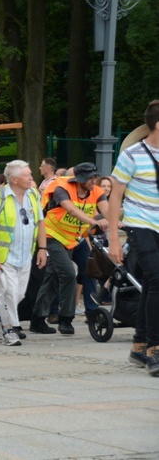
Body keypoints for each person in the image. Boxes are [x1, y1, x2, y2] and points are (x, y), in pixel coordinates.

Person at [109, 100, 159, 375]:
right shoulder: (131, 155)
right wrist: (115, 239)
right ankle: (155, 348)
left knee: (153, 284)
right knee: (157, 279)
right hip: (140, 225)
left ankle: (138, 345)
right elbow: (115, 196)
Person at [29, 162, 108, 335]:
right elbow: (71, 210)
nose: (94, 181)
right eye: (90, 178)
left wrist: (113, 221)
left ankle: (36, 319)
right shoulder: (61, 189)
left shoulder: (97, 192)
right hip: (52, 236)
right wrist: (94, 222)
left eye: (95, 177)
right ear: (80, 179)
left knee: (52, 278)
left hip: (72, 239)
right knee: (68, 274)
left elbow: (106, 210)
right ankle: (66, 319)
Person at [0, 161, 47, 346]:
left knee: (18, 295)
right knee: (8, 294)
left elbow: (40, 223)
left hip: (25, 255)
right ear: (15, 179)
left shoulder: (33, 194)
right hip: (5, 256)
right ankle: (9, 330)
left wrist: (42, 249)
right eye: (28, 175)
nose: (32, 178)